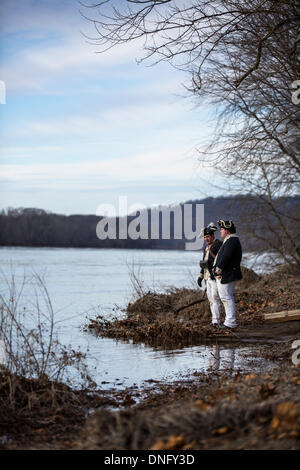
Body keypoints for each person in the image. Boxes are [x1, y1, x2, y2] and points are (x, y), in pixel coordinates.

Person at [213, 219, 243, 329]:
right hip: (228, 272)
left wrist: (219, 269)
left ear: (227, 231)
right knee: (227, 297)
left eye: (222, 229)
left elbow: (226, 256)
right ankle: (229, 321)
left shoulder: (231, 240)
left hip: (227, 273)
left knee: (226, 297)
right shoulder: (230, 240)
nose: (220, 231)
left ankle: (230, 323)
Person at [197, 222, 223, 327]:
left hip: (215, 276)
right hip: (207, 277)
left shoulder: (218, 245)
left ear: (212, 235)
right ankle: (214, 320)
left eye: (207, 236)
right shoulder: (206, 247)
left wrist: (216, 272)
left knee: (215, 298)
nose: (206, 239)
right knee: (211, 299)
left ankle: (217, 321)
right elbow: (204, 263)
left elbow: (221, 261)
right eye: (205, 237)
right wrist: (200, 277)